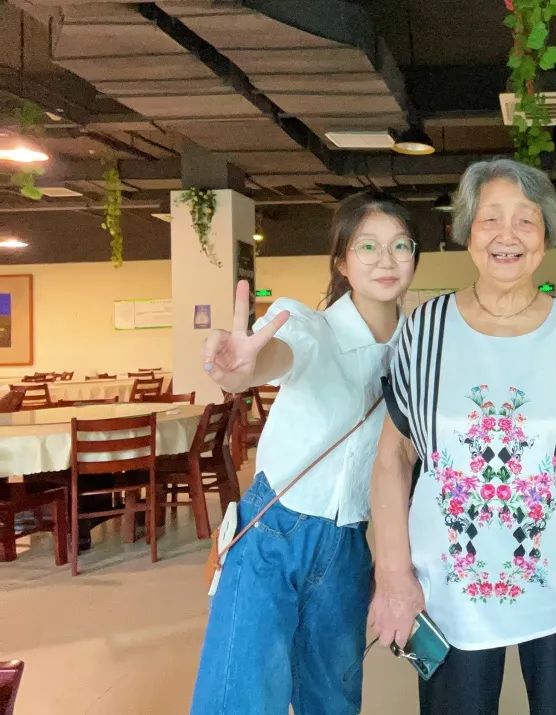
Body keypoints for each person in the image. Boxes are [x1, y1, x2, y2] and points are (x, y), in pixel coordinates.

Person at [369, 158, 556, 715]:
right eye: (490, 219)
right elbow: (393, 456)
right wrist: (393, 576)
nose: (508, 235)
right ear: (467, 231)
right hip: (447, 591)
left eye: (526, 220)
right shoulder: (425, 328)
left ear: (546, 235)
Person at [190, 193, 419, 714]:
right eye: (367, 246)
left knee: (332, 701)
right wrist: (244, 369)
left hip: (348, 545)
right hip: (274, 530)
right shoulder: (312, 327)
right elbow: (280, 352)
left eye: (400, 245)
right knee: (240, 699)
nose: (385, 259)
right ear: (341, 262)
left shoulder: (415, 349)